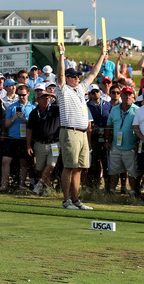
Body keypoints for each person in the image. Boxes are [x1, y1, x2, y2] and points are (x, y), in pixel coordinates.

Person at [56, 45, 106, 210]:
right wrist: (62, 55)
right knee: (69, 167)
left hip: (83, 133)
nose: (77, 78)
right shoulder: (62, 89)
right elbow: (61, 74)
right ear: (68, 79)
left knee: (79, 168)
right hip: (69, 131)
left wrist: (102, 55)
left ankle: (76, 200)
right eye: (74, 76)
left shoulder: (81, 89)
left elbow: (93, 73)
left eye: (77, 76)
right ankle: (66, 201)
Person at [105, 87, 140, 195]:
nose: (127, 97)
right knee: (114, 171)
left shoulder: (137, 110)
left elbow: (141, 129)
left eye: (130, 95)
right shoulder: (115, 109)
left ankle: (133, 191)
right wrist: (107, 140)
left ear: (133, 96)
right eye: (125, 95)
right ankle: (112, 190)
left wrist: (138, 144)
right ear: (121, 96)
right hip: (115, 146)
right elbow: (109, 126)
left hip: (131, 147)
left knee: (132, 172)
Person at [26, 89, 60, 196]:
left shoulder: (55, 109)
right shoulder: (33, 113)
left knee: (51, 164)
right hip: (39, 143)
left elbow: (64, 104)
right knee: (40, 168)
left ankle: (39, 184)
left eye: (47, 98)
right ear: (38, 100)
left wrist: (54, 95)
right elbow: (29, 130)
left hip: (54, 143)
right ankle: (48, 188)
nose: (46, 100)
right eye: (43, 98)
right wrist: (28, 145)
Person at [1, 84, 35, 191]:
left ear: (28, 94)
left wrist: (24, 120)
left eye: (23, 95)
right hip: (12, 138)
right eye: (19, 95)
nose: (21, 97)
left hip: (25, 139)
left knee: (23, 162)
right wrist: (14, 118)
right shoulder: (12, 107)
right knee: (5, 160)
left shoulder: (32, 108)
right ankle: (4, 185)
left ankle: (22, 184)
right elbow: (6, 125)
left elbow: (34, 126)